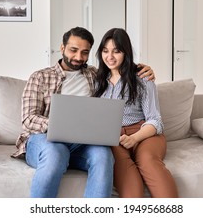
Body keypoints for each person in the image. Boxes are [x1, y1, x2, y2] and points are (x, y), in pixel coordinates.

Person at [11, 26, 154, 198]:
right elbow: (28, 118)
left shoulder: (95, 75)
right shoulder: (40, 77)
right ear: (62, 48)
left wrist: (140, 69)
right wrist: (58, 123)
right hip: (45, 140)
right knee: (56, 153)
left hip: (83, 143)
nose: (79, 57)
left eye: (85, 52)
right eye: (73, 50)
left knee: (103, 156)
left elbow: (119, 69)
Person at [93, 28, 178, 198]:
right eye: (105, 51)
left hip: (145, 134)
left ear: (126, 52)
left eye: (116, 51)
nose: (110, 56)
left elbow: (155, 120)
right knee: (124, 172)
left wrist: (134, 138)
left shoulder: (142, 77)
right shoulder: (97, 80)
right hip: (114, 137)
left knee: (147, 161)